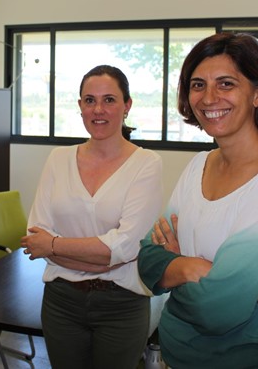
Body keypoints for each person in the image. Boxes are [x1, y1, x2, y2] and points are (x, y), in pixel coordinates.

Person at [138, 32, 258, 368]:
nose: (209, 98)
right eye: (197, 85)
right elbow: (147, 257)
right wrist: (197, 269)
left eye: (226, 83)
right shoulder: (199, 165)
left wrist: (175, 268)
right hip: (179, 355)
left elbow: (217, 309)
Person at [21, 65, 164, 369]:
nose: (98, 109)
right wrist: (105, 256)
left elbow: (126, 248)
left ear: (127, 106)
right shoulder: (58, 159)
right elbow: (36, 239)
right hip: (62, 302)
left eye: (109, 100)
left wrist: (55, 245)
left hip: (122, 305)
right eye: (89, 100)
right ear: (80, 106)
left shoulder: (146, 164)